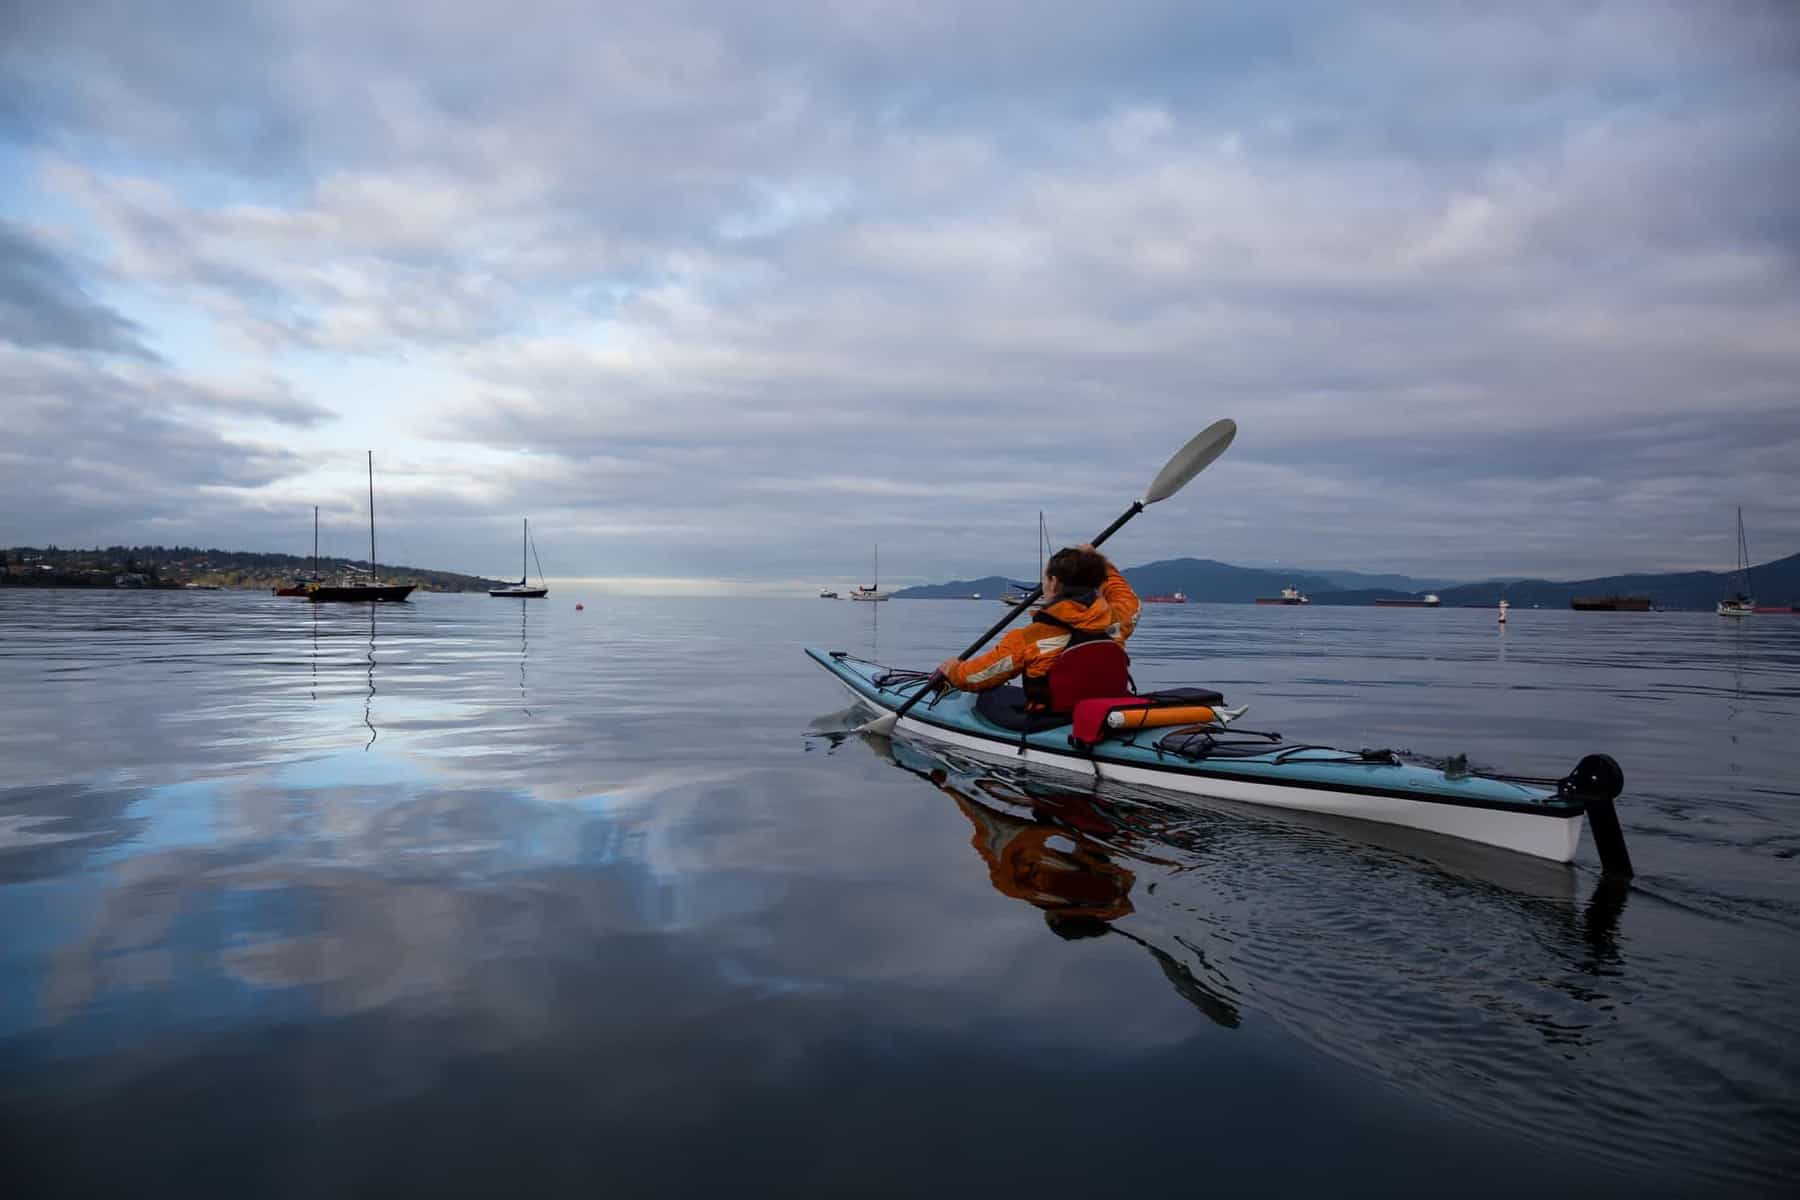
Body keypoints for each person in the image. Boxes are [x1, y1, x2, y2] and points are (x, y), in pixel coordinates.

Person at [937, 542, 1140, 709]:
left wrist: (954, 670)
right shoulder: (1116, 620)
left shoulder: (1031, 637)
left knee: (989, 696)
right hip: (1107, 709)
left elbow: (977, 677)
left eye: (1045, 577)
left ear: (1053, 581)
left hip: (1053, 717)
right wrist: (1102, 564)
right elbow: (1126, 597)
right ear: (1096, 580)